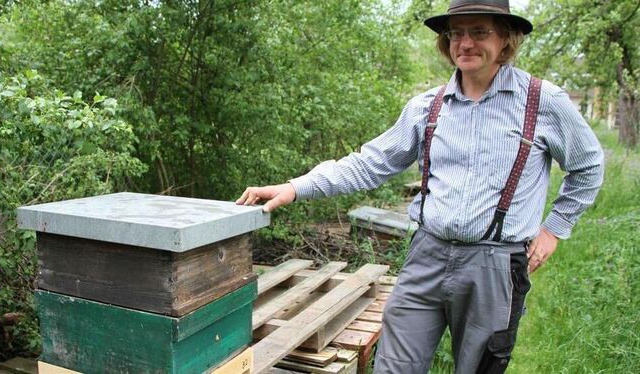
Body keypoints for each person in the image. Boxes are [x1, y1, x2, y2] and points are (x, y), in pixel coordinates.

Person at [236, 0, 604, 372]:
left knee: (480, 367)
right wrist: (296, 187)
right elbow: (371, 162)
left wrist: (554, 230)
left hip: (494, 264)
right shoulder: (427, 107)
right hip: (426, 256)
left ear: (506, 40)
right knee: (393, 366)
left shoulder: (542, 102)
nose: (465, 43)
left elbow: (587, 166)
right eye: (456, 32)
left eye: (479, 32)